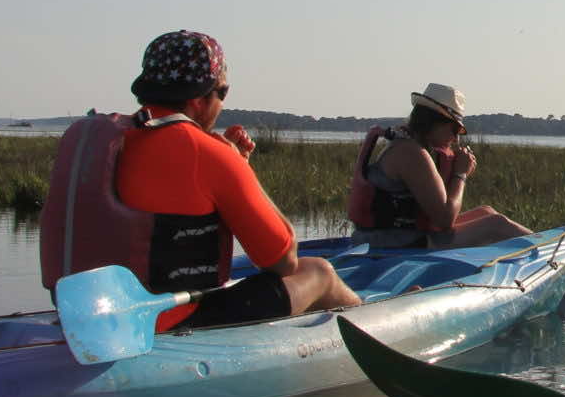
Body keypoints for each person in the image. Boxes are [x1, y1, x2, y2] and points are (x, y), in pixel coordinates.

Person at [39, 30, 360, 331]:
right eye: (222, 92)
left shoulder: (103, 140)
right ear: (198, 98)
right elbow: (282, 260)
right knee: (319, 272)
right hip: (165, 322)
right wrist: (238, 165)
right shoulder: (207, 151)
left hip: (87, 318)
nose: (222, 103)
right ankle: (374, 331)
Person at [346, 83, 531, 248]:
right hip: (391, 243)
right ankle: (550, 253)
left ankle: (541, 250)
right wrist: (461, 174)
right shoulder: (411, 153)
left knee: (486, 212)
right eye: (455, 129)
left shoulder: (407, 145)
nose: (456, 138)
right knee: (496, 224)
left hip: (398, 236)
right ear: (433, 122)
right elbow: (444, 220)